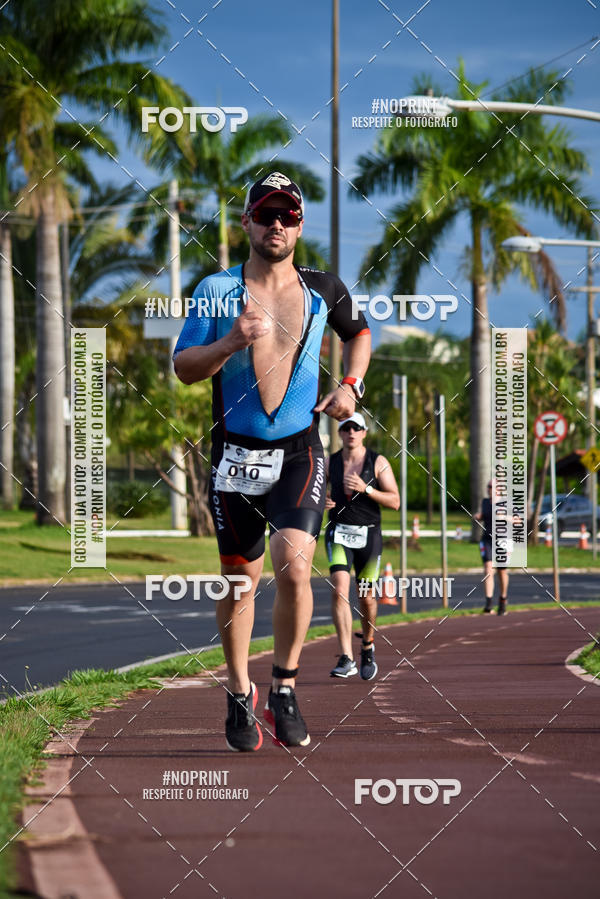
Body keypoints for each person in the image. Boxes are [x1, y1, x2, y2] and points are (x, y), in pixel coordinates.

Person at [173, 172, 371, 751]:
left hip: (298, 451)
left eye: (287, 216)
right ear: (247, 223)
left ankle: (283, 686)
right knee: (239, 582)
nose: (276, 225)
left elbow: (359, 333)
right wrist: (230, 342)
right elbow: (184, 367)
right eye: (266, 215)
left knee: (293, 562)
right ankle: (239, 692)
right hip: (234, 452)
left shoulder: (322, 288)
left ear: (300, 225)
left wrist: (351, 386)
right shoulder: (216, 289)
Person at [325, 412, 400, 680]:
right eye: (346, 428)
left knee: (366, 597)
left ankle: (367, 644)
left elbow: (395, 501)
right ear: (340, 433)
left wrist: (366, 489)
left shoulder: (377, 462)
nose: (352, 433)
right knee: (339, 590)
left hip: (368, 536)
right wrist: (322, 500)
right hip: (338, 534)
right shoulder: (329, 462)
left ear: (364, 433)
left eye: (357, 428)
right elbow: (313, 490)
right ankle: (346, 658)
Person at [474, 479, 509, 614]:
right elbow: (483, 515)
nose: (489, 489)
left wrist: (505, 517)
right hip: (487, 539)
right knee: (488, 568)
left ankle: (503, 598)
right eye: (488, 486)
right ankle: (488, 603)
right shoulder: (485, 502)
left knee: (501, 571)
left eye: (492, 487)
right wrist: (479, 516)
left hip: (503, 540)